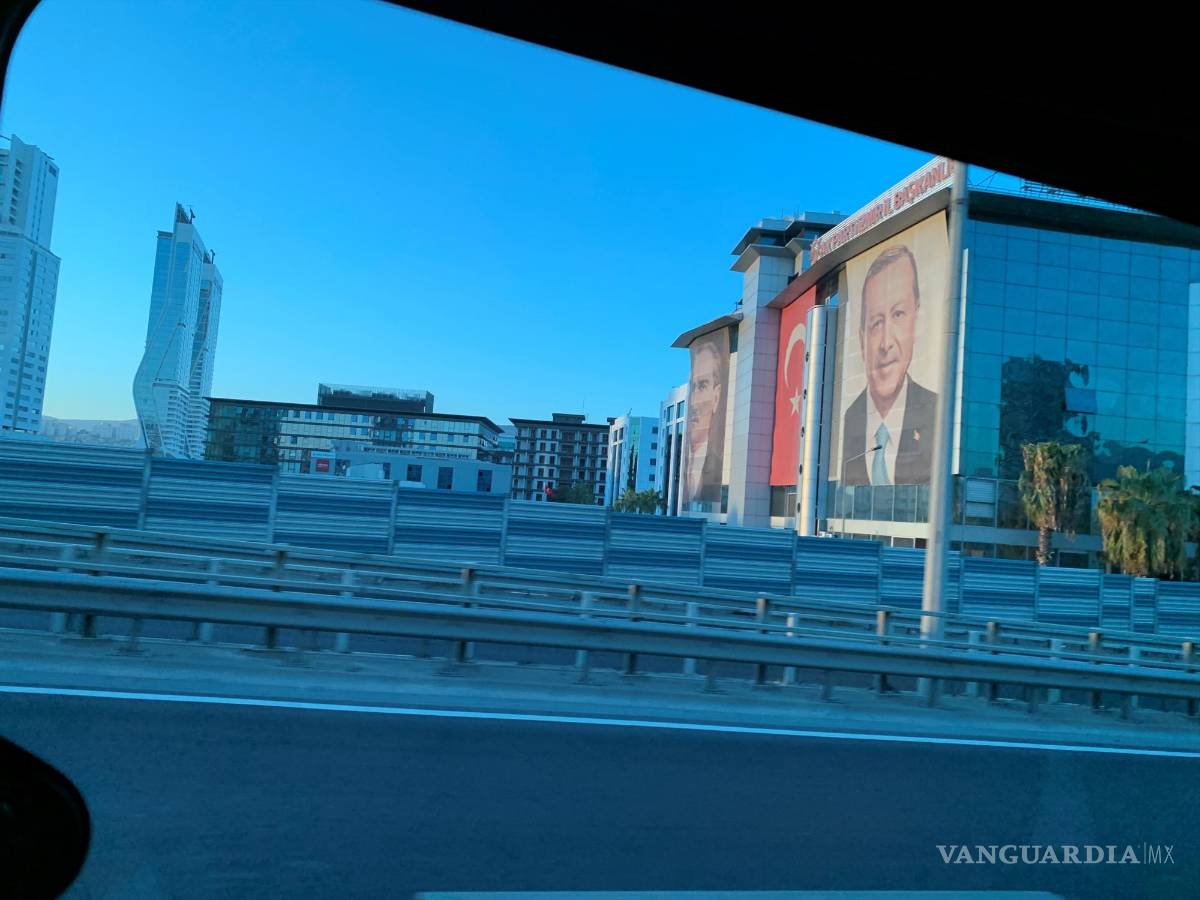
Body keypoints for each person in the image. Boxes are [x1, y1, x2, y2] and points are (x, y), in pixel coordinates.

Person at [841, 244, 937, 487]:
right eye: (876, 322)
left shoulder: (937, 414)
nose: (886, 343)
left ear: (916, 320)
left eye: (898, 315)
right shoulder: (848, 420)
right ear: (862, 339)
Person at [684, 334, 726, 504]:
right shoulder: (682, 464)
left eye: (702, 386)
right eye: (693, 387)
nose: (694, 401)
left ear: (716, 397)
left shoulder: (720, 465)